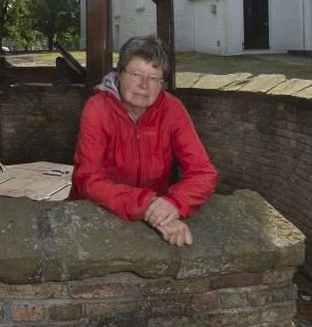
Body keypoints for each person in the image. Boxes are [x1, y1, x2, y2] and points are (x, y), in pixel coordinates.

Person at [69, 35, 217, 246]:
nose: (144, 85)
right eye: (136, 74)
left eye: (154, 78)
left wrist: (173, 203)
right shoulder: (97, 109)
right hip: (95, 213)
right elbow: (89, 180)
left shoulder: (172, 109)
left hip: (155, 211)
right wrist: (147, 205)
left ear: (161, 83)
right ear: (119, 74)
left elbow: (203, 172)